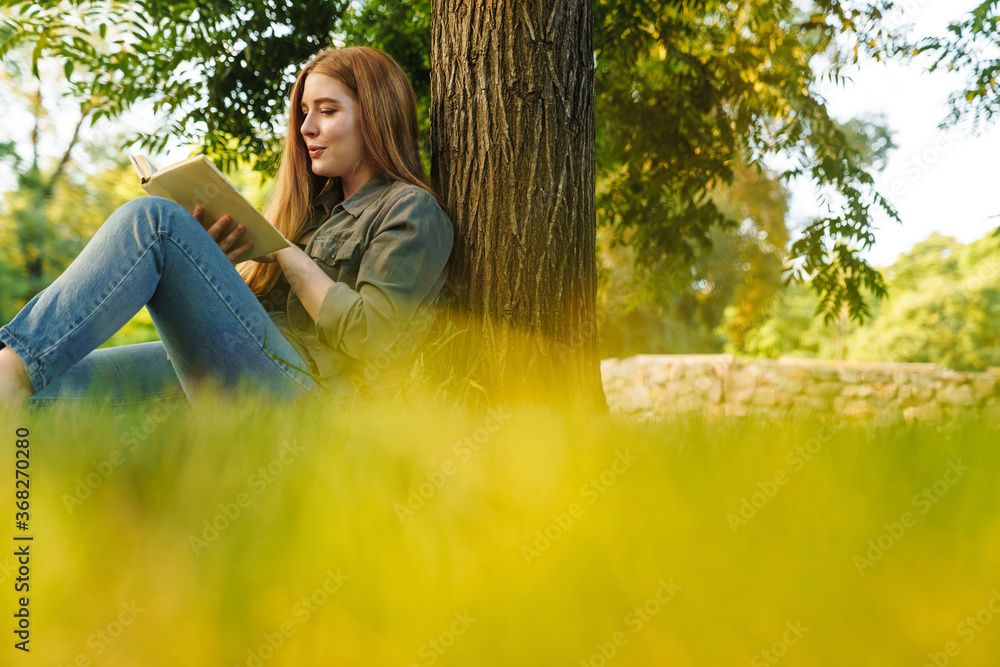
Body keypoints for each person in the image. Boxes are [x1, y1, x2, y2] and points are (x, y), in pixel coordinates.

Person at [0, 46, 454, 412]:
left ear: (376, 114)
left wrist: (283, 253)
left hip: (311, 400)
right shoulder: (315, 210)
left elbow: (369, 335)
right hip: (257, 368)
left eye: (328, 110)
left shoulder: (411, 210)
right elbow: (255, 322)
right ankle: (17, 380)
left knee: (154, 221)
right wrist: (214, 264)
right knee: (59, 382)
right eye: (304, 113)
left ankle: (13, 365)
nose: (307, 128)